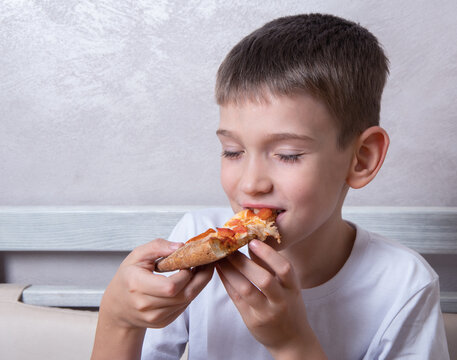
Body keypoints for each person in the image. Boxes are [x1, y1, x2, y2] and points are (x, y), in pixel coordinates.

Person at [91, 13, 449, 359]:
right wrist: (118, 318)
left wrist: (292, 344)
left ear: (362, 159)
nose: (250, 183)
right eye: (232, 151)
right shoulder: (195, 234)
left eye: (288, 154)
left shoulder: (404, 285)